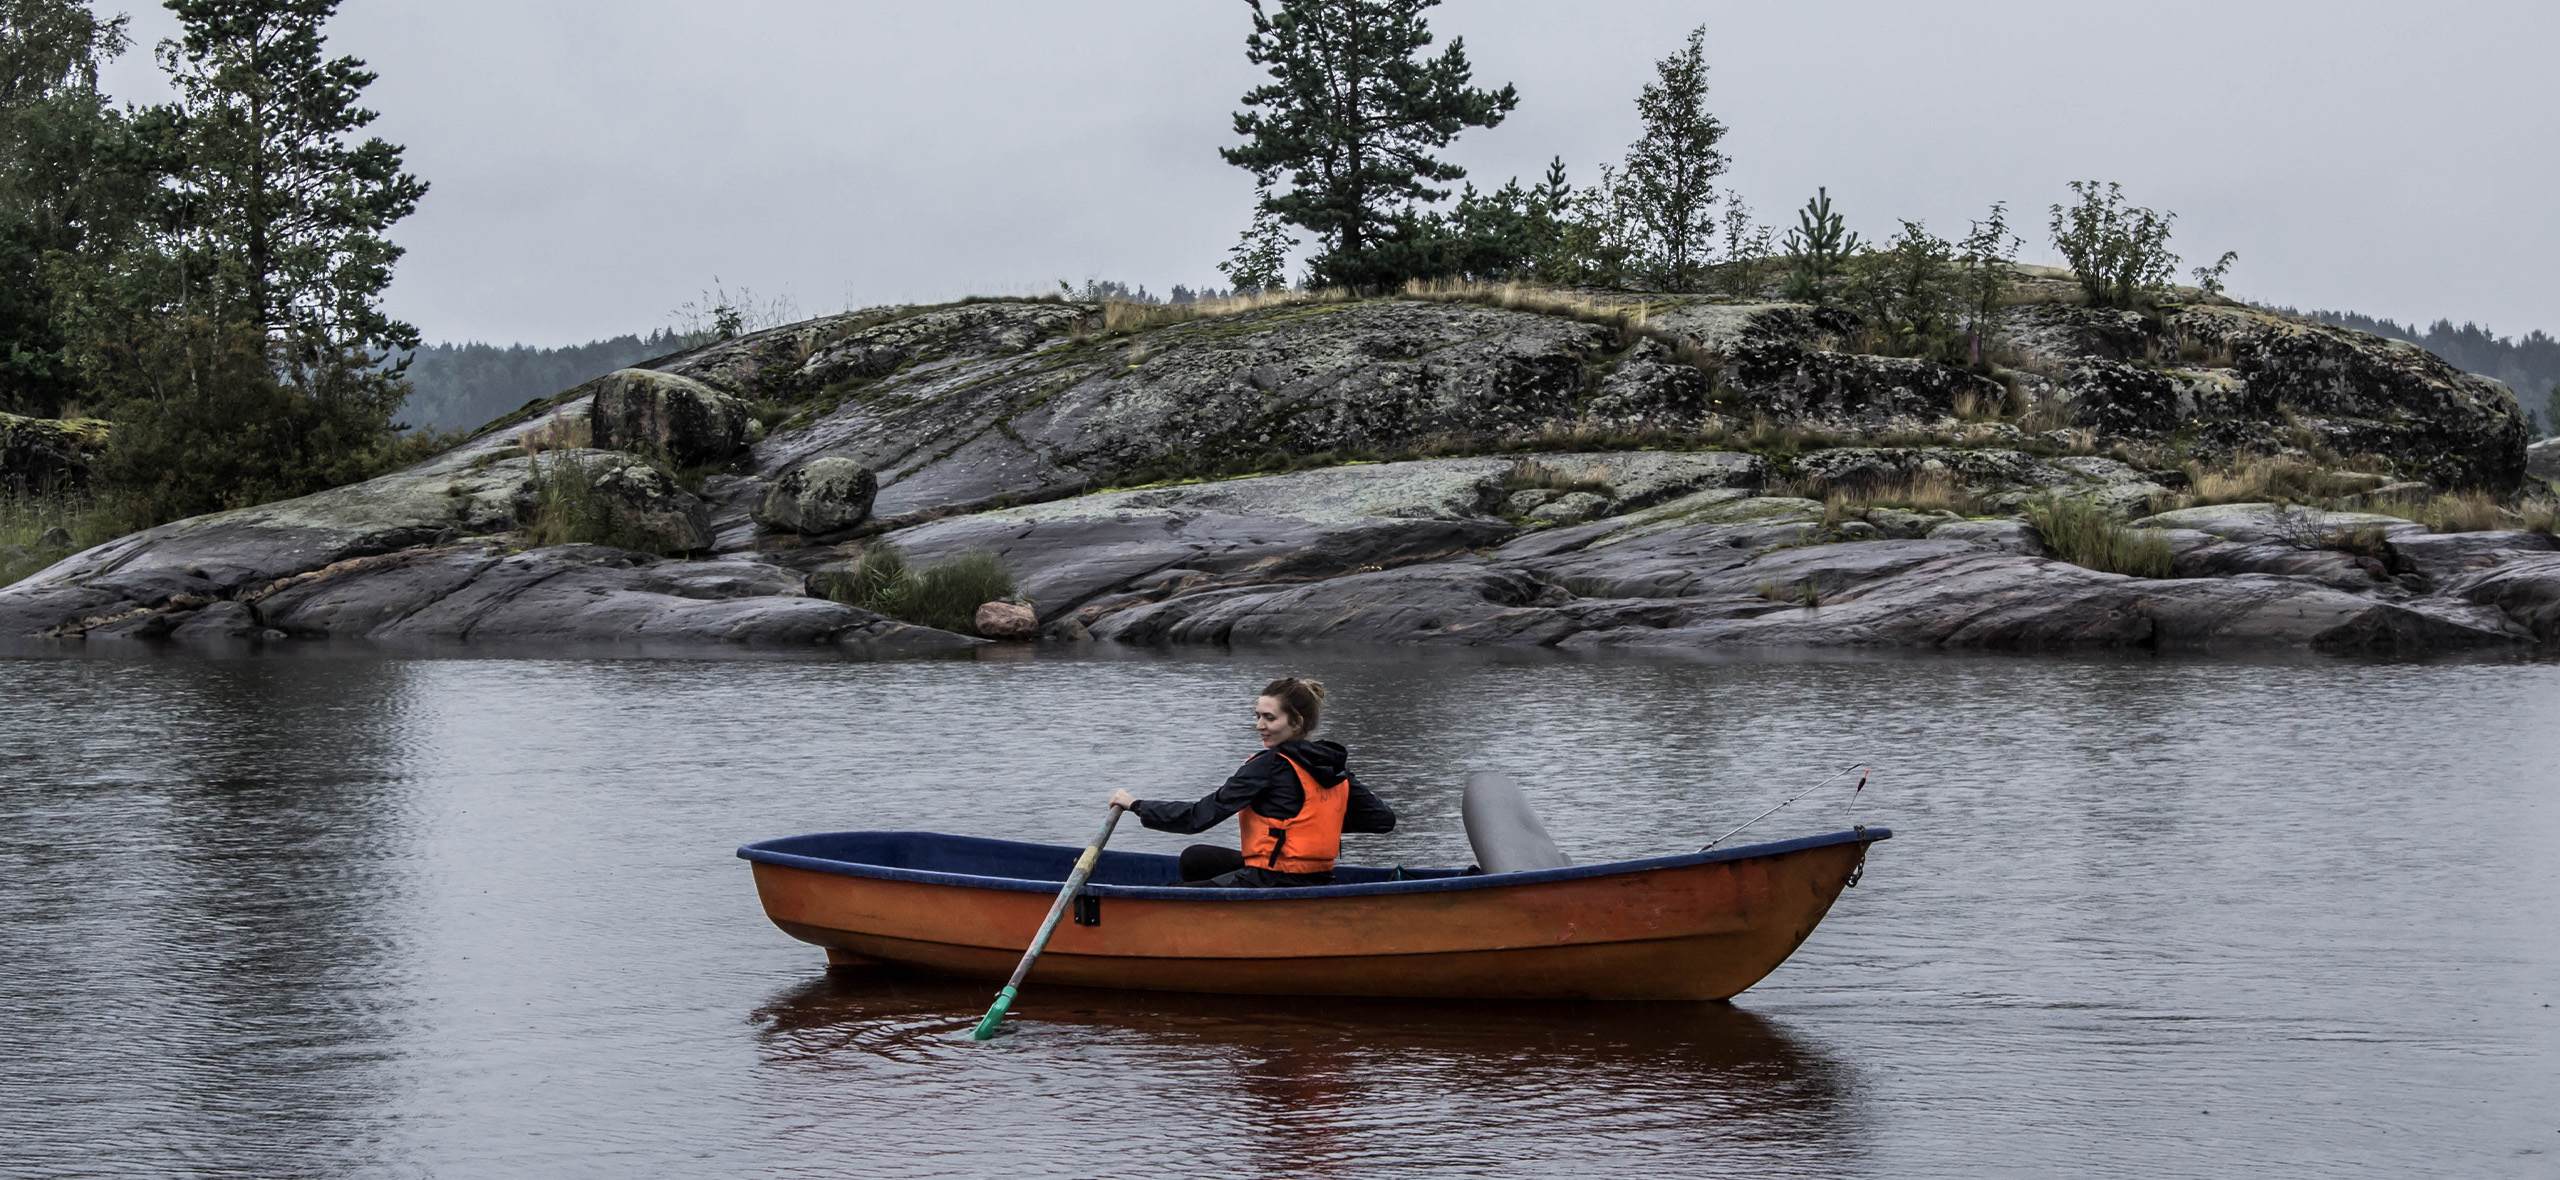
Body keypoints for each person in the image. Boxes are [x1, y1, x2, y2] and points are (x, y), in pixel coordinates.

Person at [1109, 677, 1395, 887]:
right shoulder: (1333, 768)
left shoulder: (1268, 766)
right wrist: (1306, 820)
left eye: (1269, 718)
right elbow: (1382, 819)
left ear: (1296, 723)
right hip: (1318, 878)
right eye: (1257, 716)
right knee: (1195, 859)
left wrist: (1137, 805)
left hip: (1271, 880)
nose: (1259, 725)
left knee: (1171, 894)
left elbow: (1198, 817)